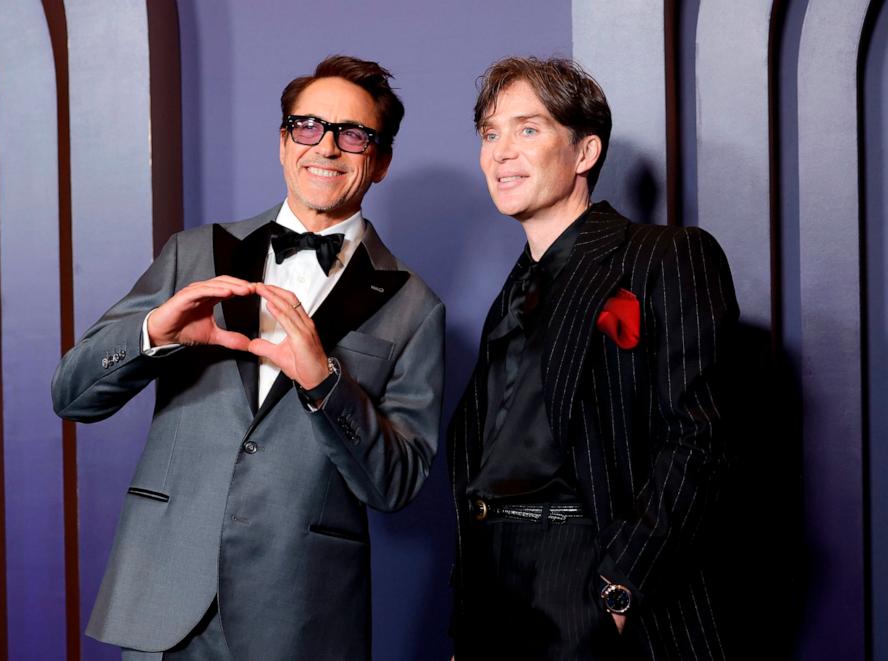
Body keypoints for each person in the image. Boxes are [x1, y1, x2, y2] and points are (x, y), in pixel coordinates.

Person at [52, 55, 445, 660]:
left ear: (382, 160)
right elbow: (72, 395)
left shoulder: (416, 306)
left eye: (354, 134)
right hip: (165, 598)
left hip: (302, 614)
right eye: (308, 126)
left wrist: (324, 383)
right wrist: (156, 332)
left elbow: (396, 485)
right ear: (284, 141)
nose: (327, 148)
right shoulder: (193, 253)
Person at [448, 56, 738, 660]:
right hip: (492, 580)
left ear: (583, 154)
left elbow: (699, 438)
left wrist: (619, 588)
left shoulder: (666, 255)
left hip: (588, 568)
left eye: (528, 129)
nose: (501, 151)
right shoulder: (511, 292)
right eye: (490, 133)